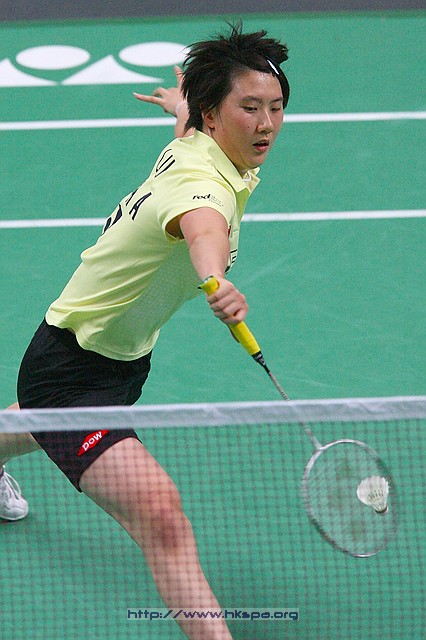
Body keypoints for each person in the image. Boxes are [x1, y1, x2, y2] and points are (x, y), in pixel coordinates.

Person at [0, 23, 289, 640]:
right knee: (162, 515)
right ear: (215, 114)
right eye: (249, 108)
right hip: (68, 369)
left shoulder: (202, 144)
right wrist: (217, 279)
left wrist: (183, 105)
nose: (266, 124)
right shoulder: (202, 184)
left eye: (275, 107)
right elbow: (204, 227)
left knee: (38, 421)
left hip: (120, 356)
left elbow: (187, 132)